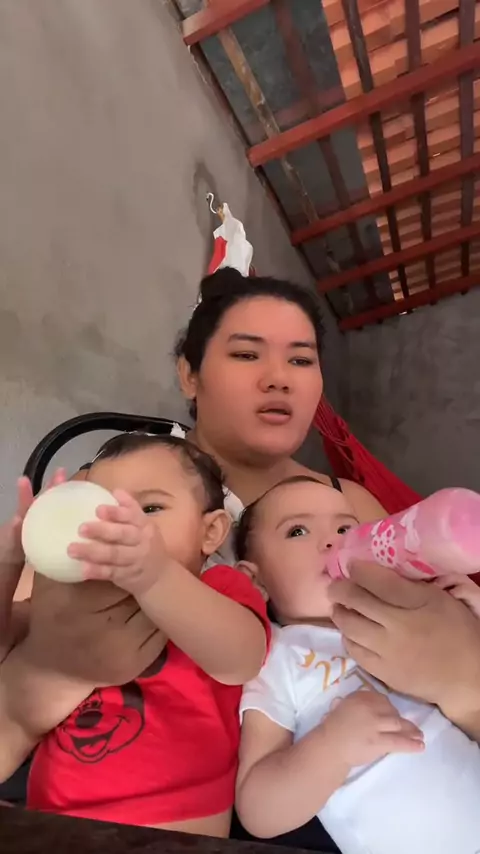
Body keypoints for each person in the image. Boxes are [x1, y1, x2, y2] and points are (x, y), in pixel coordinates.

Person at [3, 268, 480, 848]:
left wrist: (463, 664)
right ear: (189, 374)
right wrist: (45, 670)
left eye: (301, 360)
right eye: (247, 354)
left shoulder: (348, 502)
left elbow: (433, 632)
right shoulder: (110, 492)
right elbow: (23, 640)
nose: (278, 378)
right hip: (108, 792)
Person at [1, 433, 269, 835]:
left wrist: (155, 577)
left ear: (210, 532)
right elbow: (7, 641)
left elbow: (241, 660)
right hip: (54, 817)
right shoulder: (71, 602)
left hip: (176, 828)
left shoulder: (218, 589)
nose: (119, 527)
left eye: (150, 508)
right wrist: (10, 562)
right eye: (100, 511)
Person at [234, 475, 480, 854]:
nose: (333, 542)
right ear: (256, 581)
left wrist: (471, 613)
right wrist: (332, 748)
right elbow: (258, 812)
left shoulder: (410, 610)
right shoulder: (277, 656)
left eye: (345, 528)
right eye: (297, 531)